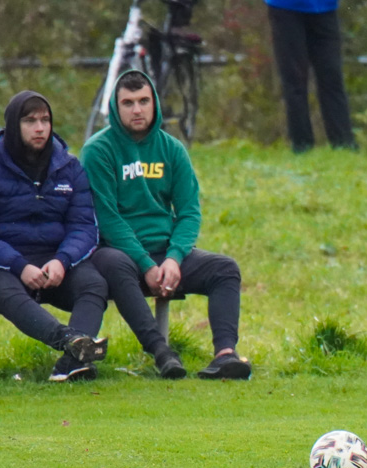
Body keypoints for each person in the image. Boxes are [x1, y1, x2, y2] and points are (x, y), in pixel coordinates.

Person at [81, 70, 251, 380]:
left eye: (144, 101)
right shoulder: (98, 150)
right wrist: (146, 263)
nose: (137, 109)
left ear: (155, 103)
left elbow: (188, 212)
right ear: (115, 107)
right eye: (128, 102)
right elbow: (106, 218)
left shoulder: (172, 149)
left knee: (225, 268)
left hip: (167, 252)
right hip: (118, 253)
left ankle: (225, 356)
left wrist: (174, 257)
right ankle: (162, 352)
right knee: (116, 263)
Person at [0, 91, 109, 381]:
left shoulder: (69, 166)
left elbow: (84, 226)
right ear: (12, 125)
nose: (40, 127)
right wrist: (20, 266)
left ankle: (72, 364)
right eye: (30, 121)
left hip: (55, 262)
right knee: (4, 290)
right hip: (2, 264)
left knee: (93, 283)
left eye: (45, 120)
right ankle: (70, 341)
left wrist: (62, 260)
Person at [265, 0, 356, 153]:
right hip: (286, 7)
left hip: (325, 8)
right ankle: (302, 145)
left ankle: (343, 143)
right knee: (295, 79)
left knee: (332, 76)